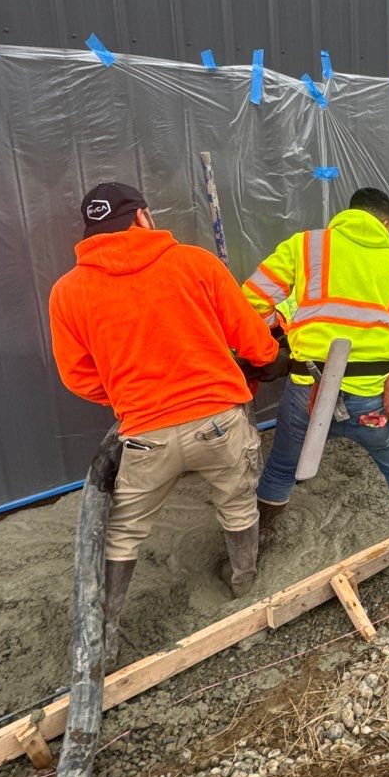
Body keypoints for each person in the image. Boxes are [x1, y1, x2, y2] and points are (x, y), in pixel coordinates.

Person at [48, 182, 283, 668]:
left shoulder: (68, 291)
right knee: (237, 503)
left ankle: (105, 638)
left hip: (145, 436)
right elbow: (256, 343)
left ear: (92, 232)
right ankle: (243, 581)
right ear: (142, 218)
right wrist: (265, 357)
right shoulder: (196, 263)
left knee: (122, 534)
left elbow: (76, 376)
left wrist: (126, 395)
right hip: (219, 422)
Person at [242, 187, 389, 584]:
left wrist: (286, 329)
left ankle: (253, 549)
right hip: (373, 402)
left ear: (348, 214)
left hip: (307, 394)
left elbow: (250, 303)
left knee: (283, 464)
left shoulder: (306, 246)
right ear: (387, 223)